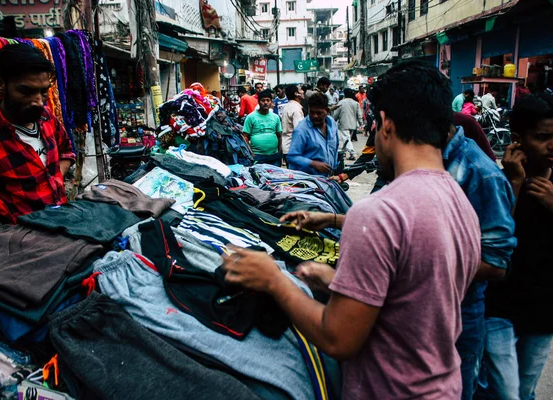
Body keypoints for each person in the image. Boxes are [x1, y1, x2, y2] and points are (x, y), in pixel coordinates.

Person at [222, 60, 481, 399]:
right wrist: (341, 285)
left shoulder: (378, 212)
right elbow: (421, 298)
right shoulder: (461, 203)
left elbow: (337, 338)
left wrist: (274, 280)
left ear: (385, 123)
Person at [0, 44, 75, 241]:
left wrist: (53, 179)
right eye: (26, 91)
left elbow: (67, 152)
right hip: (21, 244)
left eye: (43, 92)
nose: (38, 101)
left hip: (64, 229)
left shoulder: (46, 118)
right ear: (0, 84)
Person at [477, 93, 553, 400]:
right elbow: (491, 239)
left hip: (544, 308)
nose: (551, 145)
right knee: (506, 392)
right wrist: (515, 185)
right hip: (499, 305)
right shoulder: (495, 179)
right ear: (518, 140)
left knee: (524, 390)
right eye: (543, 137)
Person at [441, 124, 516, 400]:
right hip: (427, 311)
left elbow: (496, 263)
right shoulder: (432, 160)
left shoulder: (480, 173)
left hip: (462, 312)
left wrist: (421, 267)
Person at [287, 92, 339, 176]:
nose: (315, 116)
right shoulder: (301, 130)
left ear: (327, 111)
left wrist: (335, 167)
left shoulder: (331, 123)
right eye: (312, 112)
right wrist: (313, 164)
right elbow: (291, 157)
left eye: (319, 113)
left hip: (327, 178)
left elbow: (335, 147)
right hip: (306, 180)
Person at [242, 89, 282, 167]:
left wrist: (279, 152)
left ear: (271, 102)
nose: (266, 103)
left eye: (268, 100)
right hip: (257, 156)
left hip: (274, 156)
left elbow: (279, 136)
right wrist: (251, 154)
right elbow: (245, 137)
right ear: (259, 102)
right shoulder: (250, 117)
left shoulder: (276, 117)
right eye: (263, 100)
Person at [333, 88, 363, 160]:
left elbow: (336, 115)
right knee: (346, 139)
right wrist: (361, 124)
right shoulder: (355, 103)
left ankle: (352, 153)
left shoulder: (341, 103)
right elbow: (359, 115)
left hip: (343, 124)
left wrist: (333, 120)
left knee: (346, 139)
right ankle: (341, 153)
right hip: (353, 125)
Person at [280, 84, 305, 156]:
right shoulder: (296, 109)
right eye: (300, 90)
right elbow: (299, 130)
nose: (303, 91)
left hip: (287, 146)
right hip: (294, 149)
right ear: (296, 94)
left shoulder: (287, 106)